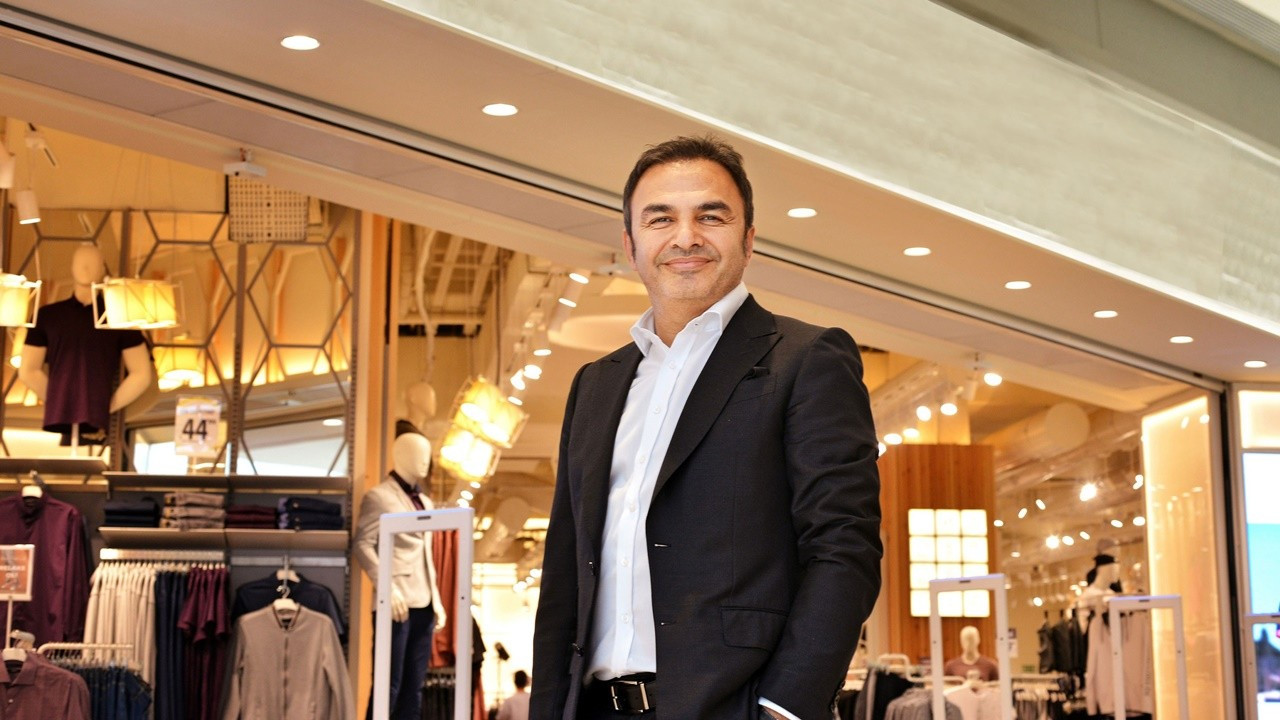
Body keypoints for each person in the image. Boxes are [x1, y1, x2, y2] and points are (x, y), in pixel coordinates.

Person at [530, 136, 882, 720]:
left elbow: (844, 547)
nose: (686, 237)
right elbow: (565, 570)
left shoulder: (807, 360)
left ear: (748, 238)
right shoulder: (595, 383)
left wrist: (784, 708)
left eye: (711, 217)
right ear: (631, 243)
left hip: (736, 706)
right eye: (660, 219)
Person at [354, 433, 448, 720]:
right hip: (394, 604)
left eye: (427, 454)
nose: (425, 460)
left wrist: (436, 600)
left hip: (423, 601)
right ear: (399, 455)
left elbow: (425, 553)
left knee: (414, 689)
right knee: (388, 685)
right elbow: (362, 544)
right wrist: (386, 588)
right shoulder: (379, 497)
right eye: (418, 453)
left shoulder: (425, 502)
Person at [19, 244, 152, 444]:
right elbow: (28, 371)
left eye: (93, 263)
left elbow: (141, 374)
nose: (86, 267)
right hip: (66, 411)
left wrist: (102, 406)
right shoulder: (47, 316)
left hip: (97, 409)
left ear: (102, 269)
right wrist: (60, 402)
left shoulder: (119, 317)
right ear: (71, 267)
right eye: (80, 262)